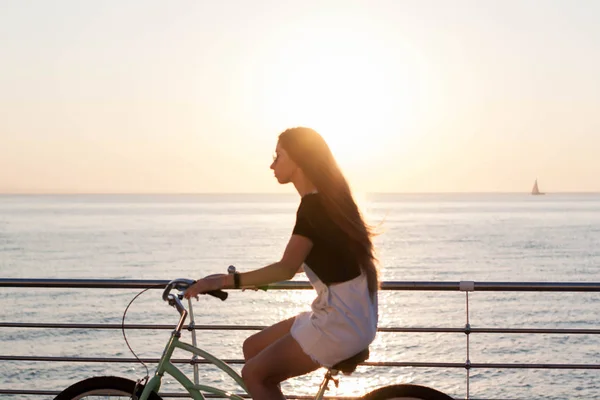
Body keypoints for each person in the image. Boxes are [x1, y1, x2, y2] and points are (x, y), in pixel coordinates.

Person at [184, 127, 379, 400]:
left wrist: (222, 281)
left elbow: (286, 268)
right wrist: (257, 281)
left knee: (253, 374)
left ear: (299, 159)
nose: (272, 165)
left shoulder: (313, 207)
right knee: (253, 348)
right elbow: (311, 260)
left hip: (339, 323)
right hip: (350, 316)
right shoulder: (328, 201)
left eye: (278, 156)